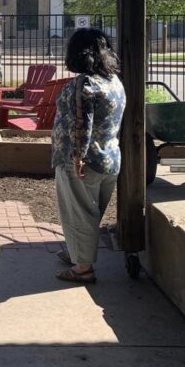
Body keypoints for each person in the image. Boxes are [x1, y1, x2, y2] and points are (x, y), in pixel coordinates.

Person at [51, 28, 126, 284]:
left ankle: (82, 268)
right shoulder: (114, 81)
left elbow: (81, 123)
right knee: (90, 214)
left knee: (79, 213)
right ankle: (76, 252)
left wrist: (78, 158)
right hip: (109, 158)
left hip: (81, 162)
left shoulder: (84, 84)